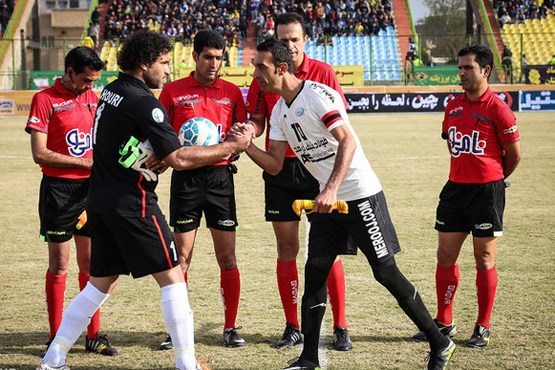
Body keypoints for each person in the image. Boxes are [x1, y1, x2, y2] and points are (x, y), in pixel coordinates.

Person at [36, 29, 251, 370]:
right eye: (163, 63)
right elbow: (179, 158)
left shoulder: (111, 92)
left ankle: (53, 358)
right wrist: (231, 147)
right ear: (144, 63)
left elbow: (131, 146)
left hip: (99, 201)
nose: (167, 71)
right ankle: (186, 363)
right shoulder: (143, 102)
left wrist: (153, 154)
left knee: (98, 284)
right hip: (132, 202)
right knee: (174, 278)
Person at [237, 37, 456, 370]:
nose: (255, 73)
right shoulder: (280, 110)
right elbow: (276, 165)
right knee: (315, 273)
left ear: (282, 68)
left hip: (359, 194)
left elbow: (348, 140)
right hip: (327, 203)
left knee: (385, 272)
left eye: (261, 67)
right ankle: (309, 358)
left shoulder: (315, 95)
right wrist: (246, 146)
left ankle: (440, 342)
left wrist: (331, 188)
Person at [245, 12, 352, 351]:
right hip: (280, 172)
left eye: (295, 39)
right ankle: (293, 325)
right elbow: (258, 122)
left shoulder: (323, 73)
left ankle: (340, 325)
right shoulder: (264, 73)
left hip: (317, 170)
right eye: (284, 40)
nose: (289, 46)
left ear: (305, 40)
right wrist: (247, 133)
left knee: (328, 252)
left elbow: (341, 126)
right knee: (287, 249)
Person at [412, 44, 521, 349]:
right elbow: (450, 141)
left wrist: (494, 180)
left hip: (486, 193)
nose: (461, 73)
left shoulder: (498, 108)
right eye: (459, 67)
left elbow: (514, 155)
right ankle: (444, 321)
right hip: (455, 189)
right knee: (445, 256)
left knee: (484, 258)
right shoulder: (454, 106)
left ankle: (482, 326)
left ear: (485, 70)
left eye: (467, 67)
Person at [157, 29, 248, 350]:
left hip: (221, 181)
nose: (213, 63)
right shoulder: (172, 92)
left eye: (219, 57)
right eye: (207, 56)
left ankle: (230, 326)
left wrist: (240, 138)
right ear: (194, 56)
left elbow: (242, 135)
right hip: (186, 182)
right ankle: (176, 330)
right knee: (181, 259)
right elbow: (160, 133)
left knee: (227, 257)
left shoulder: (233, 92)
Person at [25, 46, 118, 357]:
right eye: (85, 80)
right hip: (58, 191)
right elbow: (39, 153)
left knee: (91, 265)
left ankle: (93, 335)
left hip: (92, 192)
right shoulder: (44, 99)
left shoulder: (95, 98)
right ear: (69, 72)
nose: (89, 86)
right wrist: (84, 164)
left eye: (94, 81)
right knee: (60, 264)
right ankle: (56, 336)